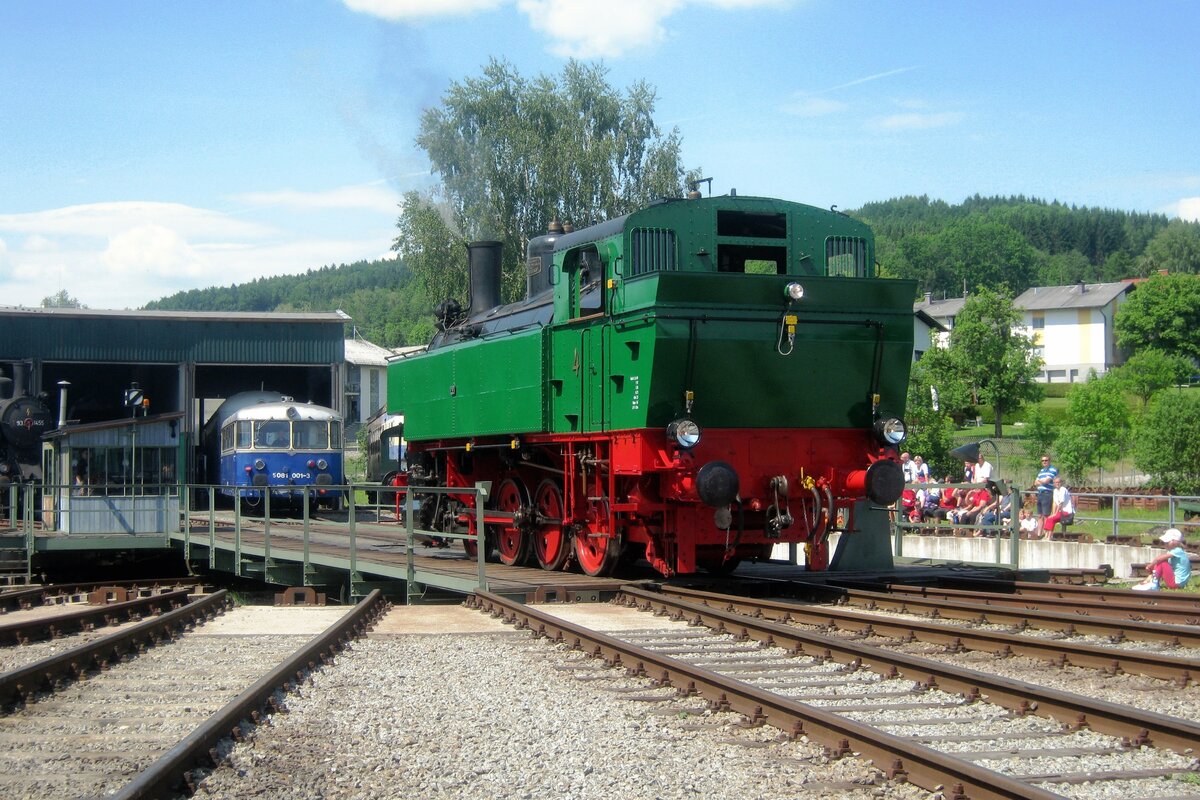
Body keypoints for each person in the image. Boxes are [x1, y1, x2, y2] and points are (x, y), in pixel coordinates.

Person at [1033, 454, 1058, 533]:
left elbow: (1046, 481)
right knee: (1040, 515)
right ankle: (1039, 533)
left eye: (1046, 460)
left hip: (1047, 493)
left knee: (1046, 515)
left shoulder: (1053, 469)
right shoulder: (1041, 471)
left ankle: (1047, 533)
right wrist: (1042, 481)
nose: (1044, 462)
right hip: (1040, 493)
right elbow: (1035, 483)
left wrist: (1041, 481)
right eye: (1043, 460)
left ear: (1049, 461)